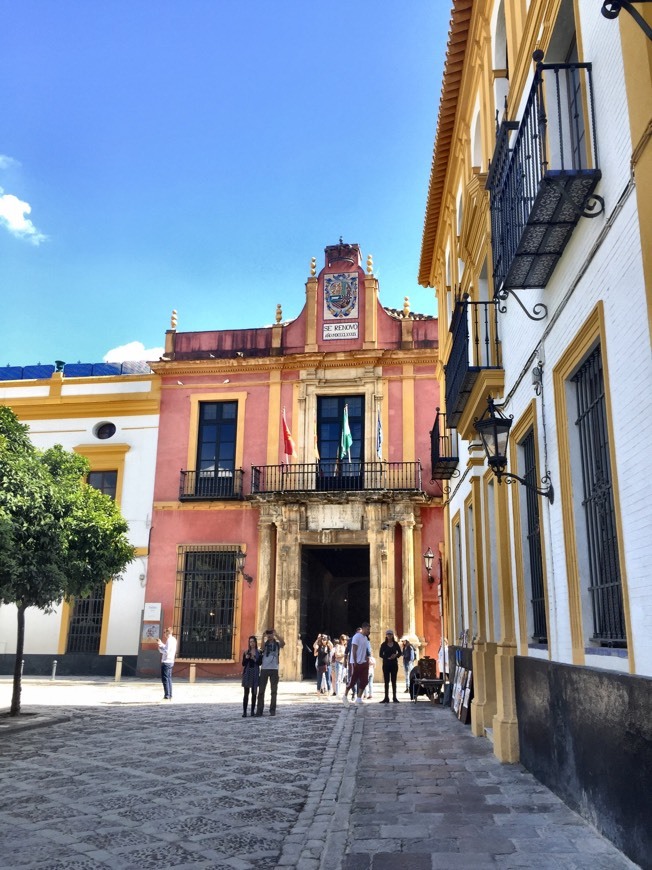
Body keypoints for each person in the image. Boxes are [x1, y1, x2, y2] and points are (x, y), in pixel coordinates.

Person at [255, 628, 285, 716]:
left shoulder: (277, 644)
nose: (269, 635)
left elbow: (283, 643)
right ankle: (259, 710)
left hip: (274, 669)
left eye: (270, 634)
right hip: (264, 669)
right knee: (261, 691)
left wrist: (276, 635)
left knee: (274, 691)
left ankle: (272, 710)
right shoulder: (266, 643)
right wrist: (263, 636)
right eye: (268, 634)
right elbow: (262, 648)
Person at [344, 622, 370, 705]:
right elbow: (354, 650)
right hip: (355, 662)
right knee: (353, 681)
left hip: (363, 662)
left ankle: (359, 698)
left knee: (365, 681)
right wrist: (355, 662)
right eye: (367, 629)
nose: (369, 631)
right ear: (363, 628)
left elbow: (365, 650)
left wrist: (366, 659)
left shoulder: (365, 638)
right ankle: (345, 696)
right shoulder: (356, 637)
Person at [241, 635, 262, 717]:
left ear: (255, 642)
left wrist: (254, 658)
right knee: (246, 693)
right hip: (247, 672)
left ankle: (252, 711)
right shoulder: (246, 652)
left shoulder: (259, 652)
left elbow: (260, 663)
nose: (251, 643)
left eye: (253, 641)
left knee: (254, 693)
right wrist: (246, 658)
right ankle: (244, 711)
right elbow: (243, 664)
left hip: (255, 673)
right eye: (250, 642)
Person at [379, 629, 401, 703]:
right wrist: (387, 657)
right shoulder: (383, 645)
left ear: (392, 635)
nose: (389, 636)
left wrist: (395, 655)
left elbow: (400, 652)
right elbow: (380, 654)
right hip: (386, 664)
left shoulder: (395, 644)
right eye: (388, 634)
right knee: (386, 681)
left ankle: (394, 697)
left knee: (394, 681)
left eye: (390, 634)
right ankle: (386, 697)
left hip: (394, 664)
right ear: (386, 635)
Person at [157, 627, 177, 700]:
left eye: (165, 632)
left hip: (166, 661)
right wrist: (161, 644)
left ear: (167, 633)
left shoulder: (169, 640)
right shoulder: (174, 639)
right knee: (169, 678)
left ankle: (167, 695)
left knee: (165, 679)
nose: (164, 634)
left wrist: (160, 649)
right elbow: (167, 648)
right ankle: (170, 694)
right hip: (171, 661)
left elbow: (166, 651)